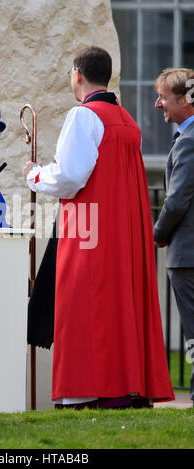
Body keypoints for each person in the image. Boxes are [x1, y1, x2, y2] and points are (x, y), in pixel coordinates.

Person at [24, 46, 174, 409]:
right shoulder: (127, 120)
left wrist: (36, 175)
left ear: (77, 74)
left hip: (88, 230)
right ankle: (128, 387)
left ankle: (85, 391)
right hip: (121, 231)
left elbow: (72, 176)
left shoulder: (83, 116)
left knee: (83, 306)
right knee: (121, 305)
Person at [154, 68, 194, 406]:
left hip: (188, 255)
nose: (158, 103)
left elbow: (178, 197)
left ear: (185, 100)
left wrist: (157, 234)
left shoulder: (191, 139)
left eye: (164, 97)